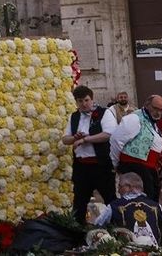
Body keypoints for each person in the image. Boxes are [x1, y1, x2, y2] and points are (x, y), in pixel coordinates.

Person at [63, 86, 114, 222]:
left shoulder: (104, 113)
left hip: (101, 165)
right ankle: (77, 232)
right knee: (79, 202)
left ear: (92, 99)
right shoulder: (74, 117)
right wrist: (75, 137)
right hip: (81, 166)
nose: (84, 104)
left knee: (110, 199)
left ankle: (116, 229)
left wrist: (85, 139)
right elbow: (65, 139)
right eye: (80, 101)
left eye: (86, 100)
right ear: (76, 102)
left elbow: (108, 134)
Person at [108, 94, 162, 201]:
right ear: (147, 105)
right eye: (155, 108)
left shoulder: (151, 121)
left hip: (149, 168)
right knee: (139, 202)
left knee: (151, 200)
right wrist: (116, 164)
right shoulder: (135, 118)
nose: (158, 113)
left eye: (161, 110)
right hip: (135, 168)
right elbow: (116, 140)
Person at [93, 172, 162, 247]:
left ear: (128, 187)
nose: (118, 190)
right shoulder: (157, 206)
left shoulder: (114, 206)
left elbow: (97, 225)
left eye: (120, 186)